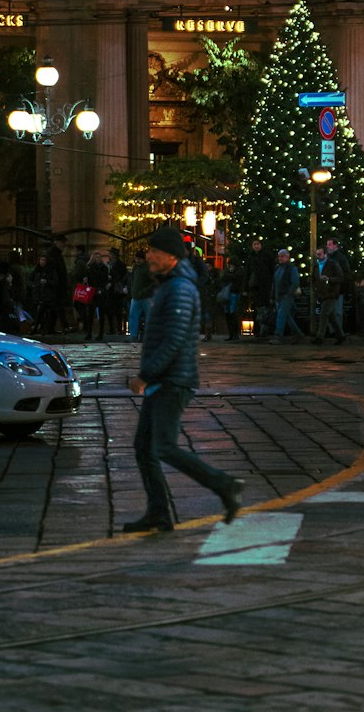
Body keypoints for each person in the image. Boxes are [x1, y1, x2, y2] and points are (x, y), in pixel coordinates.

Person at [123, 223, 244, 533]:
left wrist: (145, 375)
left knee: (162, 447)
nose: (148, 255)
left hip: (173, 381)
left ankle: (224, 485)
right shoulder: (170, 284)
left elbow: (174, 340)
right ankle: (159, 512)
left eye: (154, 251)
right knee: (143, 447)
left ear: (170, 256)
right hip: (165, 379)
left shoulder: (179, 288)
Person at [312, 247, 346, 345]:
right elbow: (314, 279)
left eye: (320, 254)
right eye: (317, 254)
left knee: (324, 314)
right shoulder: (316, 266)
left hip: (331, 294)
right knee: (331, 317)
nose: (318, 256)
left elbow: (340, 277)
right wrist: (316, 288)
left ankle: (319, 337)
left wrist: (329, 279)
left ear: (325, 254)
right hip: (323, 294)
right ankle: (341, 335)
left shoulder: (333, 264)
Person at [270, 249, 304, 343]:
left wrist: (288, 294)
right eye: (279, 256)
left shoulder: (291, 268)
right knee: (287, 316)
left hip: (285, 296)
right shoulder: (278, 268)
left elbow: (295, 282)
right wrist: (273, 296)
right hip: (279, 296)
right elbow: (274, 283)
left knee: (281, 316)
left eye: (282, 256)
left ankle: (278, 336)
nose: (280, 258)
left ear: (287, 257)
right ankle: (298, 334)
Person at [128, 249, 155, 341]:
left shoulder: (148, 268)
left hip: (146, 297)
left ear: (143, 259)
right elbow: (133, 280)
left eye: (139, 259)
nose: (137, 260)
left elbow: (154, 282)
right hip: (136, 297)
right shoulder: (135, 267)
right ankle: (133, 335)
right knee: (133, 316)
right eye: (136, 258)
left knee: (148, 317)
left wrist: (145, 291)